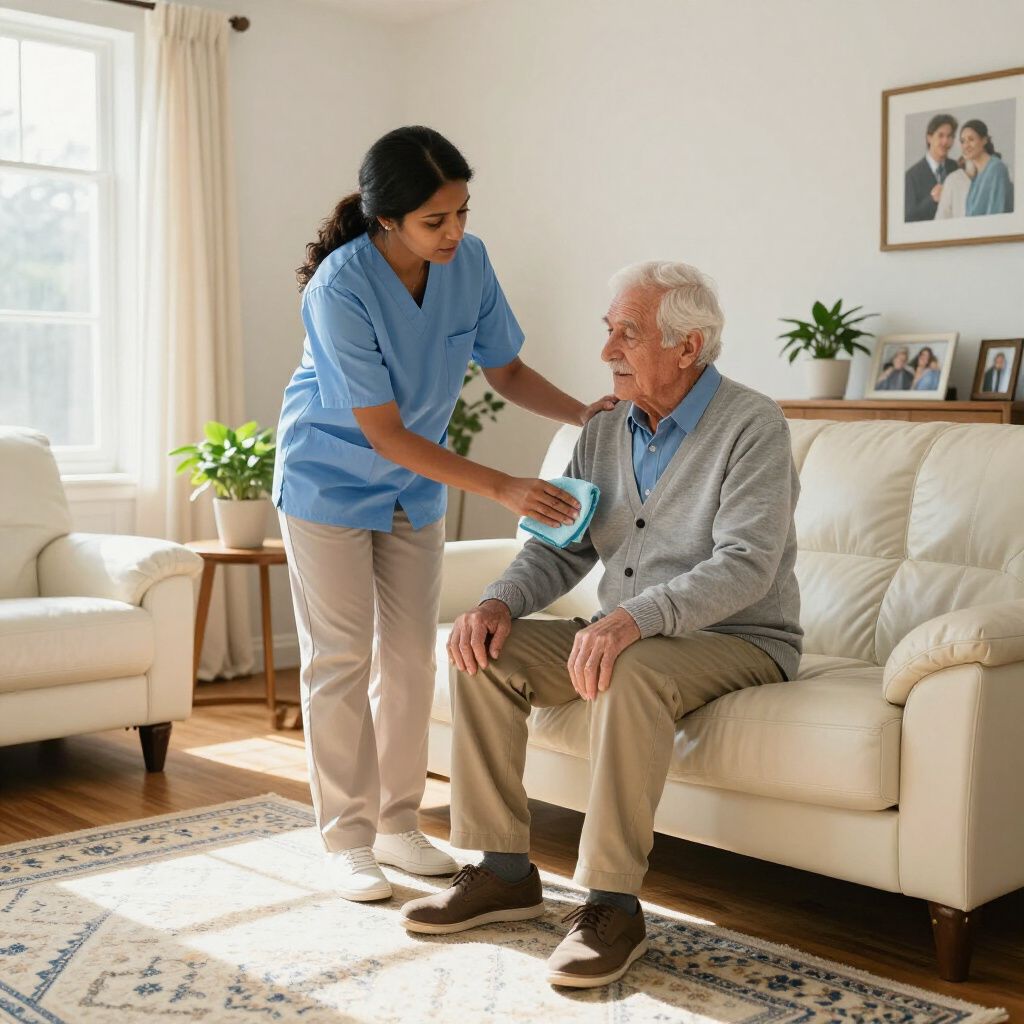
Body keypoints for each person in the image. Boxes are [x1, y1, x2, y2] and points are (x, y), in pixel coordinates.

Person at [400, 261, 802, 989]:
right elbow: (561, 545)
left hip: (739, 638)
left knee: (631, 664)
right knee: (487, 650)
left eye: (628, 333)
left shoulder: (753, 425)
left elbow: (747, 565)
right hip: (632, 631)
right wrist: (497, 603)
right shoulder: (602, 430)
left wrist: (631, 619)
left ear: (689, 346)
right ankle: (502, 870)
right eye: (608, 330)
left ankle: (613, 905)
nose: (607, 350)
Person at [273, 126, 616, 903]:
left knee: (409, 659)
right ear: (386, 218)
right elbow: (383, 430)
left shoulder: (471, 264)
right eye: (436, 220)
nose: (455, 231)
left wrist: (585, 415)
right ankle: (347, 840)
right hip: (329, 480)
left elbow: (507, 369)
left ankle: (397, 825)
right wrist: (503, 487)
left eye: (462, 210)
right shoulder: (340, 287)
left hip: (410, 488)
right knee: (340, 659)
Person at [905, 113, 959, 222]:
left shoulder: (956, 168)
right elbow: (908, 218)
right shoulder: (911, 176)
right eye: (941, 135)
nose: (945, 141)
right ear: (929, 138)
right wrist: (932, 199)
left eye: (950, 136)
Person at [961, 120, 1014, 216]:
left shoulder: (996, 169)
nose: (966, 145)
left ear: (984, 140)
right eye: (963, 141)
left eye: (971, 139)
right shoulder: (976, 176)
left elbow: (996, 214)